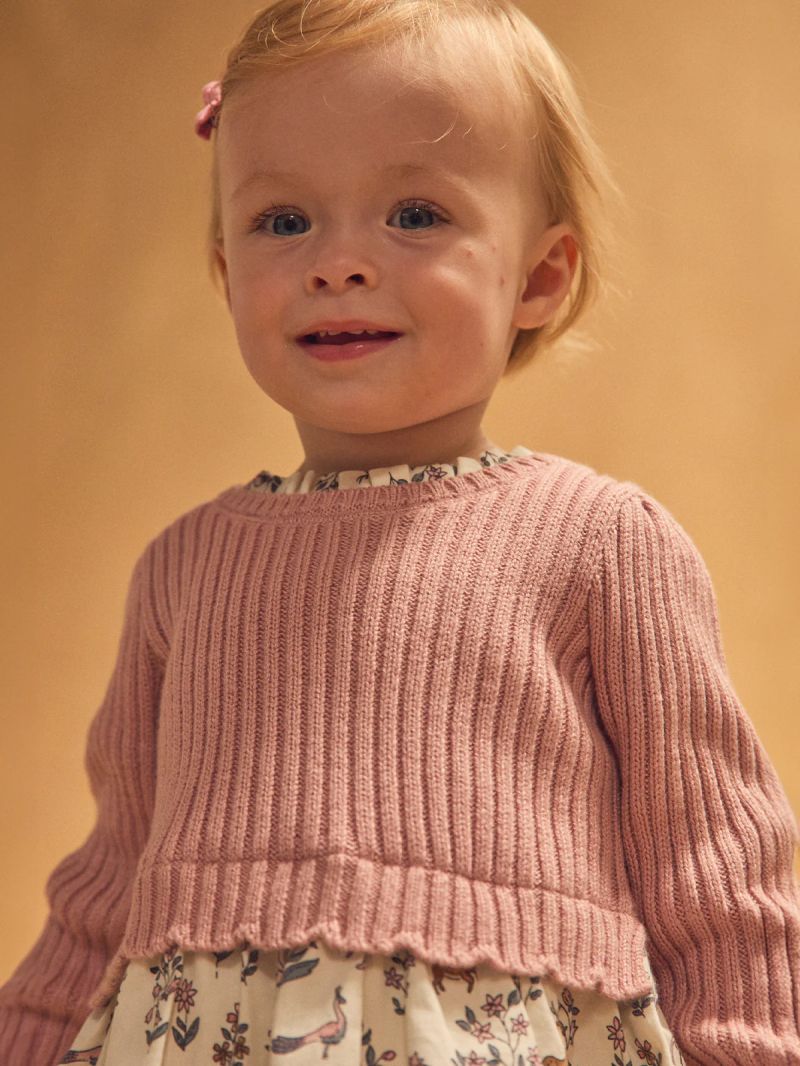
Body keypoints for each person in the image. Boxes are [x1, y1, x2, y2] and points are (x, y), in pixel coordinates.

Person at [1, 1, 799, 1063]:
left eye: (414, 214)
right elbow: (104, 894)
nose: (336, 262)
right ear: (226, 274)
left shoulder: (600, 543)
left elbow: (719, 878)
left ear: (539, 276)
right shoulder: (182, 570)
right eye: (283, 221)